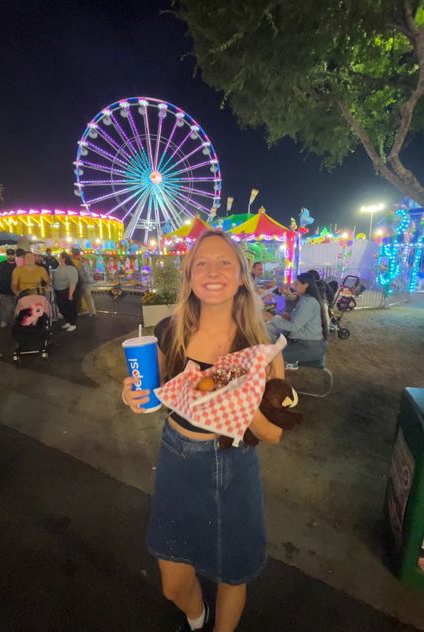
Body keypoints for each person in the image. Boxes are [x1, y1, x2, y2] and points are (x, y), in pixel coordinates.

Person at [122, 231, 284, 632]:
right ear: (190, 275)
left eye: (225, 262)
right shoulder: (170, 331)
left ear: (243, 276)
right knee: (173, 581)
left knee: (233, 572)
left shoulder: (262, 348)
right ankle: (198, 619)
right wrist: (132, 394)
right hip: (177, 458)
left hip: (234, 464)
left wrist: (240, 406)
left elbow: (274, 434)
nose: (213, 272)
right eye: (202, 264)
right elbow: (155, 392)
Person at [266, 272, 328, 366]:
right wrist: (290, 317)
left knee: (272, 355)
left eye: (297, 284)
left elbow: (294, 327)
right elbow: (302, 321)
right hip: (305, 342)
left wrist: (271, 318)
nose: (294, 286)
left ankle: (283, 370)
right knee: (272, 341)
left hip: (309, 347)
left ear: (306, 285)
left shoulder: (309, 302)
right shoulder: (305, 299)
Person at [53, 252, 79, 332]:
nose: (58, 257)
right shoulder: (59, 266)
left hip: (66, 291)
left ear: (64, 258)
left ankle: (73, 323)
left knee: (69, 308)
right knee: (61, 308)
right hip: (58, 291)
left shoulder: (70, 268)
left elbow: (73, 281)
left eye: (59, 256)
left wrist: (70, 294)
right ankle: (68, 321)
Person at [0, 248, 17, 328]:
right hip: (4, 289)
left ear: (15, 255)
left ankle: (16, 321)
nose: (10, 256)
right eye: (9, 255)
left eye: (12, 254)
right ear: (6, 255)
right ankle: (4, 320)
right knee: (6, 308)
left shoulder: (18, 264)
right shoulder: (1, 264)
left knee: (16, 307)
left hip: (17, 290)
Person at [71, 247, 96, 317]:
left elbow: (77, 272)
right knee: (87, 297)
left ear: (73, 253)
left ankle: (92, 312)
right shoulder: (84, 260)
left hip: (83, 281)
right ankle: (90, 311)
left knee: (85, 297)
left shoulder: (76, 261)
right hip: (88, 280)